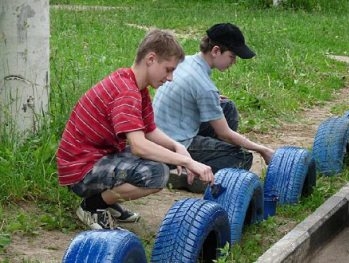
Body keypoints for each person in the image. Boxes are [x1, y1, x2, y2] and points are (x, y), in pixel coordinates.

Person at [56, 28, 214, 230]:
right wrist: (187, 161)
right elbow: (139, 146)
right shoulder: (127, 92)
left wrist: (176, 147)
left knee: (159, 158)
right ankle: (93, 206)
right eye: (168, 69)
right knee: (157, 173)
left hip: (96, 156)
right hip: (81, 170)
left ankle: (107, 201)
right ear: (151, 59)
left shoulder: (135, 85)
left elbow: (149, 131)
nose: (170, 77)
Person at [153, 23, 274, 192]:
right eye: (232, 56)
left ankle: (204, 162)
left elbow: (188, 92)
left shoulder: (185, 61)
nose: (234, 62)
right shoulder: (204, 86)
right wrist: (262, 149)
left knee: (227, 107)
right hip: (175, 142)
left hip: (161, 130)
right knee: (241, 157)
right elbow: (226, 133)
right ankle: (191, 175)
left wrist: (212, 99)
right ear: (216, 51)